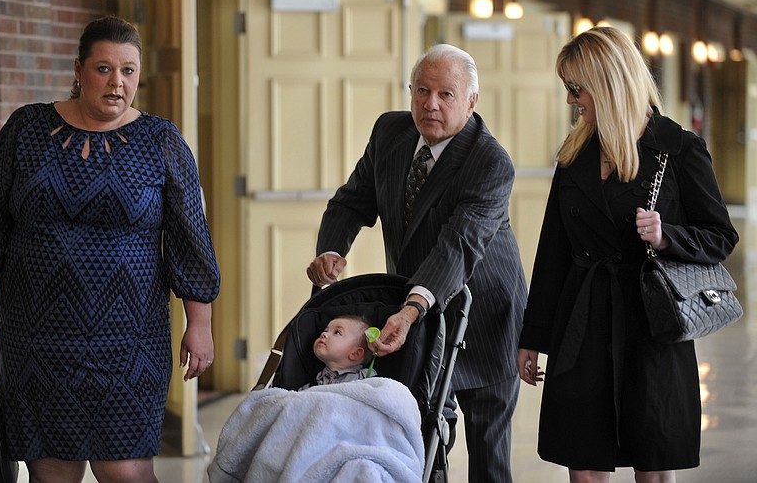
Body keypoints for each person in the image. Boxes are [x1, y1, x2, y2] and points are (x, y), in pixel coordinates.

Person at [0, 16, 221, 483]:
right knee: (51, 470)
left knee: (126, 471)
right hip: (37, 337)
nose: (117, 82)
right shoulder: (27, 130)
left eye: (129, 71)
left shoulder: (161, 141)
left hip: (131, 340)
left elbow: (190, 240)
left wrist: (198, 324)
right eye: (104, 69)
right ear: (78, 69)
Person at [516, 26, 738, 483]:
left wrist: (667, 237)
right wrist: (532, 336)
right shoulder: (574, 154)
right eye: (568, 89)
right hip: (583, 321)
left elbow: (720, 235)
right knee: (584, 462)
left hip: (651, 326)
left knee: (653, 464)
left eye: (576, 89)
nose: (571, 100)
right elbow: (552, 250)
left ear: (607, 82)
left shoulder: (678, 149)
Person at [306, 43, 527, 483]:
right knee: (420, 446)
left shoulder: (490, 161)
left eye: (446, 94)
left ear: (471, 101)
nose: (431, 104)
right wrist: (332, 249)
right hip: (417, 323)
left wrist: (410, 308)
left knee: (489, 458)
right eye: (422, 91)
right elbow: (353, 200)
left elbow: (458, 244)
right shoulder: (390, 133)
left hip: (484, 318)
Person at [299, 314, 376, 389]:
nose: (324, 334)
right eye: (326, 330)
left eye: (337, 332)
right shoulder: (316, 382)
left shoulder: (366, 380)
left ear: (355, 353)